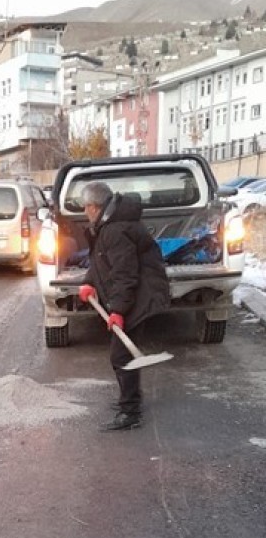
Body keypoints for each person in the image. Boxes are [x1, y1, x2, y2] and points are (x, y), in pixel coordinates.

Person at [77, 182, 169, 432]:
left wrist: (118, 310)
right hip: (136, 293)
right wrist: (88, 282)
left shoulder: (115, 230)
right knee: (122, 354)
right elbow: (100, 261)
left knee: (121, 355)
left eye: (86, 207)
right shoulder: (108, 225)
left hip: (141, 294)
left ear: (95, 207)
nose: (85, 211)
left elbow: (125, 274)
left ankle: (130, 411)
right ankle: (128, 401)